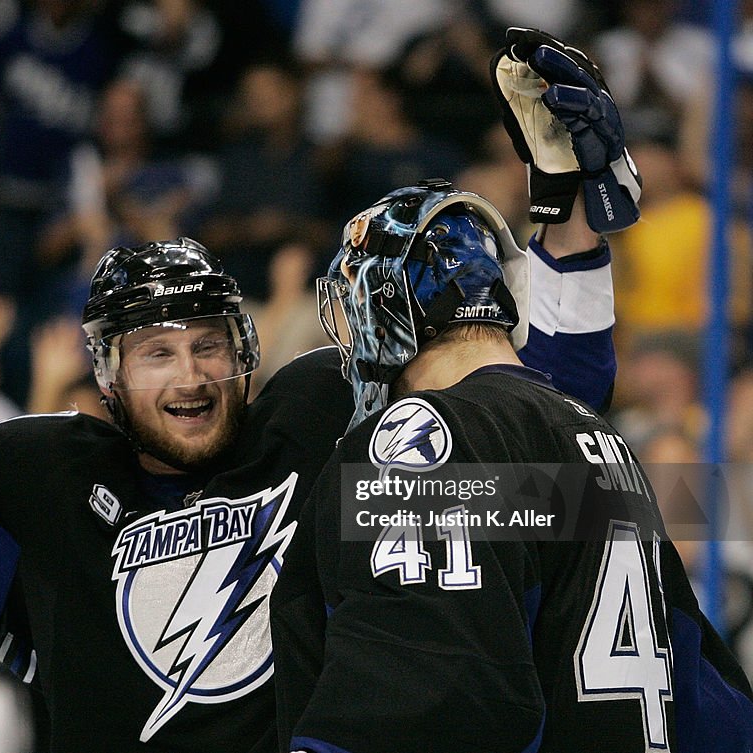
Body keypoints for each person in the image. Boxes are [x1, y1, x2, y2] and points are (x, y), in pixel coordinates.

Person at [0, 27, 628, 753]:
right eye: (157, 352)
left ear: (243, 350)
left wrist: (568, 222)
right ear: (107, 372)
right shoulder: (36, 483)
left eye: (208, 344)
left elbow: (533, 420)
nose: (192, 373)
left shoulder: (323, 416)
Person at [269, 30, 753, 753]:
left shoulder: (421, 440)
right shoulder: (597, 439)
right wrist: (568, 214)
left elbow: (433, 699)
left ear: (392, 318)